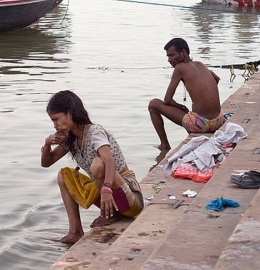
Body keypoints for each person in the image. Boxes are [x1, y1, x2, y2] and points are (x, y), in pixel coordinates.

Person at [41, 90, 144, 244]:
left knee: (98, 163)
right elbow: (46, 163)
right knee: (64, 175)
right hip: (108, 198)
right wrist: (47, 144)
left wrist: (107, 188)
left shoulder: (94, 132)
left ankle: (111, 214)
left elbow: (109, 161)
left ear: (70, 113)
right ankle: (75, 231)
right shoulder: (71, 139)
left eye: (56, 119)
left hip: (130, 199)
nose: (55, 125)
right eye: (53, 121)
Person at [148, 38, 224, 150]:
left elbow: (167, 100)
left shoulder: (180, 68)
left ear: (183, 52)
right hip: (218, 120)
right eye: (168, 56)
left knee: (153, 104)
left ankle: (164, 145)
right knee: (188, 113)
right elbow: (216, 79)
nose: (169, 60)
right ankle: (192, 127)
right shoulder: (200, 64)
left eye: (172, 55)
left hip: (202, 125)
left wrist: (181, 107)